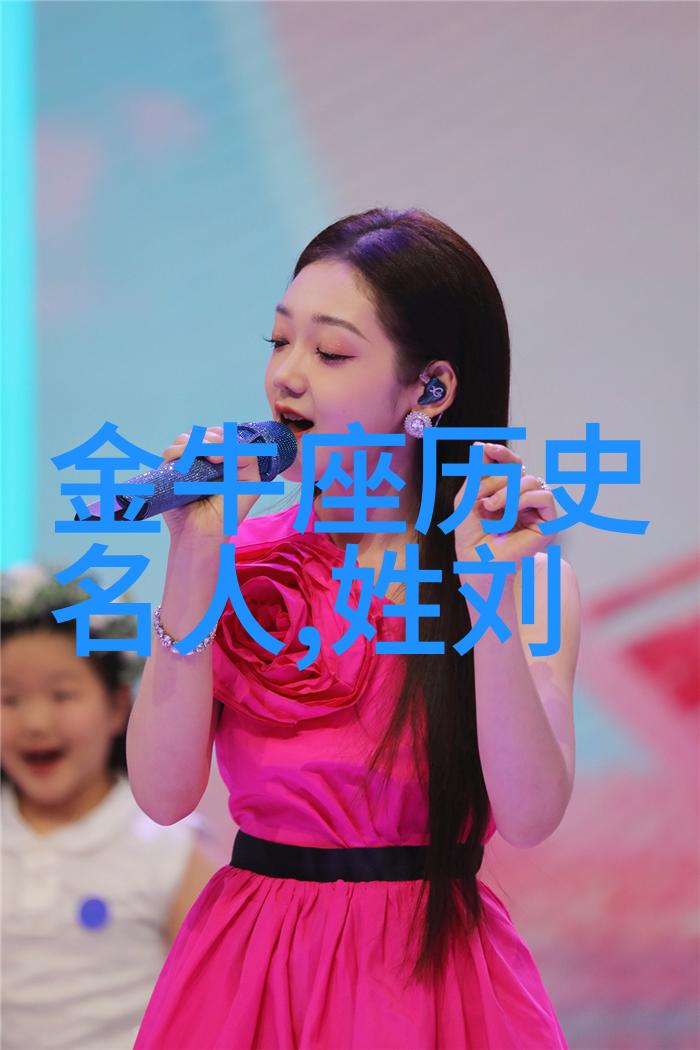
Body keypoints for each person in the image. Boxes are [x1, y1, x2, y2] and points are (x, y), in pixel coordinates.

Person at [131, 206, 581, 1049]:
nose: (287, 377)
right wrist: (194, 555)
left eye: (331, 353)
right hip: (251, 972)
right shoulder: (243, 556)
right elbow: (162, 795)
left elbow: (529, 814)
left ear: (430, 389)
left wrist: (485, 591)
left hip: (430, 976)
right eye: (279, 342)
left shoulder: (516, 566)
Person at [0, 564, 219, 1050]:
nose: (35, 722)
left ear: (118, 706)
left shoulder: (166, 845)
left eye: (62, 695)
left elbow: (215, 993)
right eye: (9, 699)